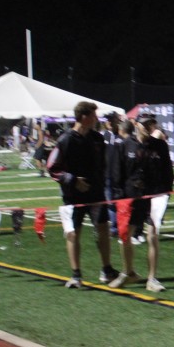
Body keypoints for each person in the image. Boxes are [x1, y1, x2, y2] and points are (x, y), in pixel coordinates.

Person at [47, 101, 120, 289]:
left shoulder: (97, 138)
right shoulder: (65, 139)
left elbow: (103, 165)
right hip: (73, 196)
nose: (97, 119)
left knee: (103, 229)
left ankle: (107, 270)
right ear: (84, 117)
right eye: (94, 115)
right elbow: (52, 167)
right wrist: (73, 180)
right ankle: (76, 275)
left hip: (96, 193)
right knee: (73, 233)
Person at [108, 116, 174, 291]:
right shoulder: (124, 145)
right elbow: (116, 173)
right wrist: (120, 196)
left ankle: (152, 278)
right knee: (125, 235)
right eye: (143, 124)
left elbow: (167, 170)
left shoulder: (160, 145)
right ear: (136, 124)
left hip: (155, 195)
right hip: (131, 196)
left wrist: (166, 191)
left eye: (150, 124)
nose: (146, 127)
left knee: (152, 235)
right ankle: (128, 272)